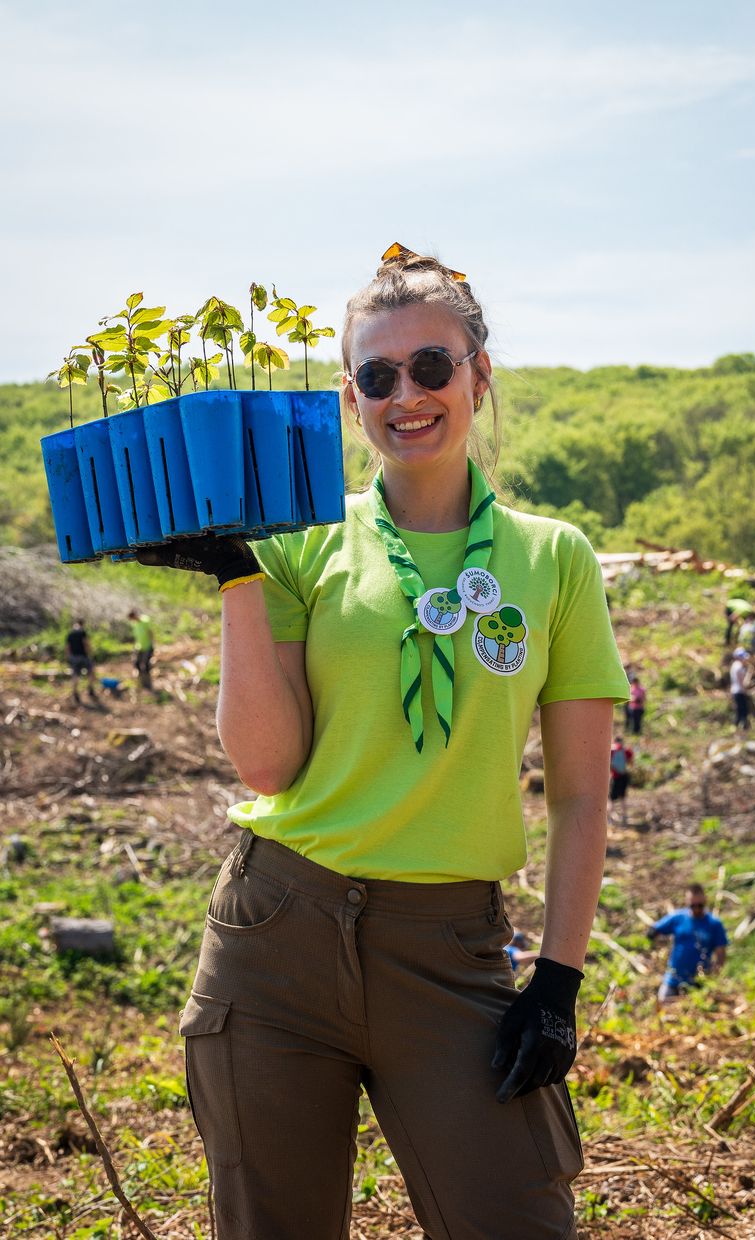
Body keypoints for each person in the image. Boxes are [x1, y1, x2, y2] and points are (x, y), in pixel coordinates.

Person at [138, 245, 629, 1239]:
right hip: (277, 935)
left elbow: (581, 794)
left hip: (447, 952)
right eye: (377, 376)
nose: (406, 396)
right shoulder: (303, 539)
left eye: (431, 367)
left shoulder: (553, 559)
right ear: (349, 396)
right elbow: (267, 766)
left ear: (478, 374)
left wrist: (559, 982)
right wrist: (239, 576)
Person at [647, 884, 728, 1005]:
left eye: (699, 906)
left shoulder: (714, 924)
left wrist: (714, 975)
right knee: (663, 1007)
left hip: (699, 982)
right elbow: (654, 931)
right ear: (687, 902)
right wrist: (658, 948)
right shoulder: (678, 918)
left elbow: (721, 953)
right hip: (673, 979)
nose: (696, 909)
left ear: (705, 900)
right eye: (692, 905)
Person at [65, 618, 98, 705]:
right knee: (91, 671)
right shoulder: (82, 633)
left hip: (74, 657)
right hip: (83, 656)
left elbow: (67, 648)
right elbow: (86, 644)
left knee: (75, 674)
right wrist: (90, 654)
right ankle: (90, 688)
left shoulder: (70, 634)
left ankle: (75, 692)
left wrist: (69, 658)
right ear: (82, 624)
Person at [608, 735, 633, 825]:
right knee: (623, 797)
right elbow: (631, 763)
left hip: (615, 777)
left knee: (611, 799)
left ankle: (610, 819)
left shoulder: (611, 750)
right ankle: (624, 817)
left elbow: (608, 764)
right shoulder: (626, 751)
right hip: (624, 776)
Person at [127, 609, 154, 689]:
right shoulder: (134, 624)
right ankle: (140, 680)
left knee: (146, 663)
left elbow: (150, 632)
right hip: (139, 647)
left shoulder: (145, 620)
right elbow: (137, 636)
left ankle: (148, 682)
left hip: (147, 646)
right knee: (136, 662)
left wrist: (152, 644)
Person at [730, 646, 751, 730]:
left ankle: (737, 728)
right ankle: (742, 729)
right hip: (739, 691)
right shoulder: (739, 666)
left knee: (739, 711)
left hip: (736, 690)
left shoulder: (735, 665)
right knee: (743, 711)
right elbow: (742, 681)